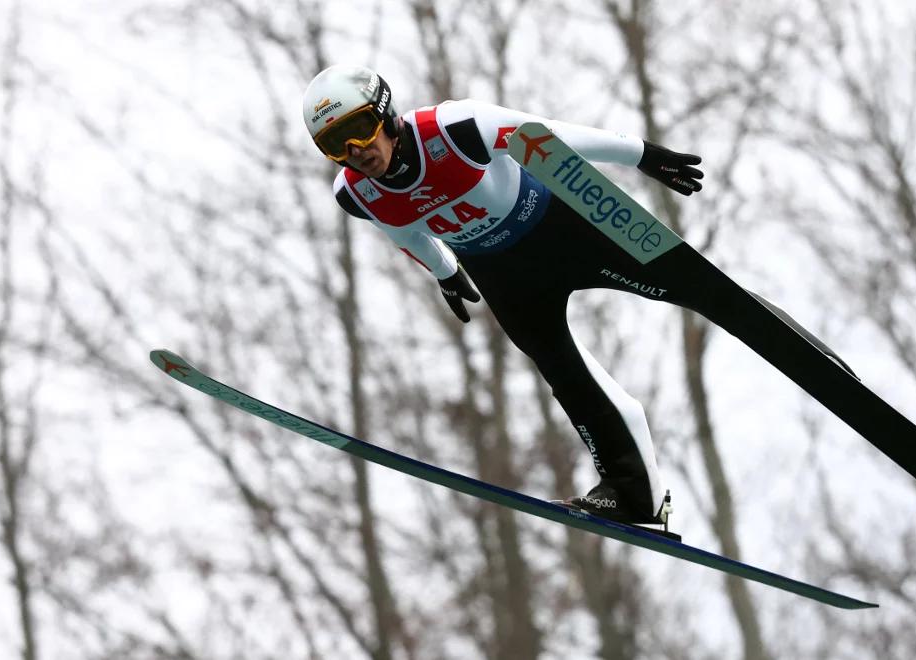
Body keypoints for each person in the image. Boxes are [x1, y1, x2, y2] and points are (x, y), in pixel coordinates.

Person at [301, 64, 852, 526]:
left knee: (701, 291)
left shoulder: (457, 127)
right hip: (502, 273)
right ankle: (633, 491)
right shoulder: (355, 193)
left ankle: (812, 358)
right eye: (334, 145)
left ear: (386, 113)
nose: (354, 151)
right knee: (562, 371)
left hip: (566, 228)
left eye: (358, 130)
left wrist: (640, 155)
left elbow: (551, 136)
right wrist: (445, 271)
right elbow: (405, 231)